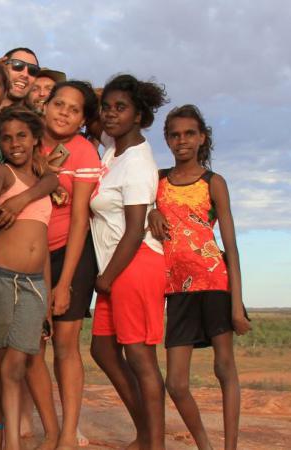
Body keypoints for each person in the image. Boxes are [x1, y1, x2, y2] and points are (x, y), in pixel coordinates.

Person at [149, 105, 251, 450]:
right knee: (176, 383)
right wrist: (151, 211)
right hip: (175, 290)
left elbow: (231, 248)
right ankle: (205, 444)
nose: (182, 141)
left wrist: (237, 306)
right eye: (175, 135)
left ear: (201, 137)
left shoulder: (213, 182)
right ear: (167, 139)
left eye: (189, 133)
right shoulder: (158, 181)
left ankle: (231, 446)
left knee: (224, 369)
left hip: (215, 284)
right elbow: (140, 207)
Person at [0, 107, 60, 450]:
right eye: (6, 137)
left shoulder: (43, 182)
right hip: (3, 277)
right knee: (7, 361)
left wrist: (47, 292)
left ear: (35, 139)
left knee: (17, 360)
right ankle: (8, 438)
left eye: (21, 136)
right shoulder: (2, 171)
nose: (14, 143)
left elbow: (44, 244)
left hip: (35, 284)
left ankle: (11, 438)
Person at [89, 74, 168, 450]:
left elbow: (136, 228)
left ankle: (154, 443)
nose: (110, 114)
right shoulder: (113, 150)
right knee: (102, 350)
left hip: (133, 265)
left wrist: (106, 278)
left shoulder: (136, 160)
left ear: (139, 116)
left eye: (121, 108)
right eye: (107, 107)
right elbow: (92, 113)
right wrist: (102, 96)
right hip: (116, 268)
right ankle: (147, 432)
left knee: (140, 356)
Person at [37, 80, 101, 449]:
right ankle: (48, 429)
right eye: (59, 104)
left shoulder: (83, 152)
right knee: (32, 345)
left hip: (72, 253)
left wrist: (63, 284)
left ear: (82, 119)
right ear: (45, 105)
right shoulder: (28, 141)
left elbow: (80, 220)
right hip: (30, 255)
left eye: (74, 109)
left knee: (65, 342)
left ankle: (67, 434)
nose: (64, 112)